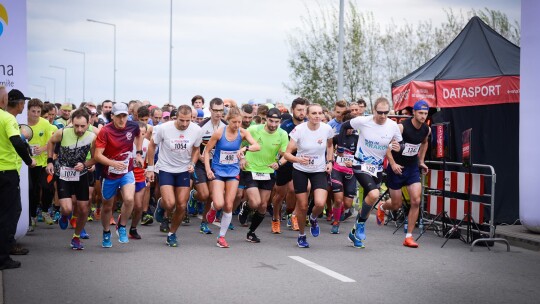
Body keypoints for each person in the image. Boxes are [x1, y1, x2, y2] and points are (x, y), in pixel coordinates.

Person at [340, 97, 403, 248]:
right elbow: (343, 126)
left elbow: (400, 143)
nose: (382, 116)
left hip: (377, 168)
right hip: (360, 164)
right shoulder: (363, 121)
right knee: (374, 194)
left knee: (370, 200)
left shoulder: (393, 126)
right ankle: (361, 225)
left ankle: (354, 233)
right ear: (374, 110)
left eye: (385, 113)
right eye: (379, 112)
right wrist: (341, 148)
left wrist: (399, 148)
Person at [146, 105, 202, 247]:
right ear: (176, 117)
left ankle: (172, 234)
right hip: (166, 168)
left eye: (187, 121)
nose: (184, 124)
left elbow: (196, 149)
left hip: (184, 170)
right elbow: (152, 146)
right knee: (170, 203)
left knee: (182, 205)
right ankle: (162, 205)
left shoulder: (196, 130)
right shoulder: (164, 128)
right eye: (181, 120)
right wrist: (150, 168)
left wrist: (193, 163)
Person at [377, 100, 430, 248]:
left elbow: (424, 143)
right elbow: (385, 144)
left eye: (425, 113)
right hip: (397, 169)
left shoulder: (426, 129)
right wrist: (393, 163)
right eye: (420, 113)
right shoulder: (401, 127)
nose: (423, 116)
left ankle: (409, 237)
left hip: (412, 168)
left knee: (416, 201)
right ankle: (382, 207)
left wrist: (421, 161)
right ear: (414, 112)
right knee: (396, 204)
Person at [204, 107, 260, 248]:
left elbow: (257, 146)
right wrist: (208, 169)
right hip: (218, 171)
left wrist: (244, 149)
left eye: (239, 122)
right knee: (218, 204)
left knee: (229, 205)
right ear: (228, 120)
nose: (237, 125)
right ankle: (212, 208)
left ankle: (221, 237)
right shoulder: (219, 133)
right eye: (234, 122)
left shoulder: (242, 132)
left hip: (233, 171)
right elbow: (206, 151)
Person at [283, 103, 334, 248]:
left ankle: (313, 218)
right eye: (314, 113)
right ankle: (302, 235)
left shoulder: (327, 129)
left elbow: (330, 145)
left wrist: (329, 161)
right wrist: (298, 159)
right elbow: (287, 154)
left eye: (320, 113)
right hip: (300, 170)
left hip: (318, 169)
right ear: (307, 115)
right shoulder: (299, 130)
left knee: (319, 203)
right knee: (303, 205)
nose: (317, 116)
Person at [94, 103, 144, 248]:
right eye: (118, 116)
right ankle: (106, 232)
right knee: (107, 206)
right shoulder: (105, 131)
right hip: (109, 174)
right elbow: (97, 155)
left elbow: (139, 135)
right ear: (112, 116)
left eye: (124, 116)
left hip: (126, 171)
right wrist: (112, 163)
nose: (122, 120)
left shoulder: (133, 126)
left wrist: (139, 154)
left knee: (129, 199)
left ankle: (122, 227)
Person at [46, 109, 96, 250]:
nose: (79, 129)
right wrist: (49, 161)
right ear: (72, 123)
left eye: (82, 126)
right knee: (67, 209)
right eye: (76, 126)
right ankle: (64, 216)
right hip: (63, 174)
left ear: (88, 124)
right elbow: (50, 142)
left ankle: (76, 237)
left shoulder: (92, 137)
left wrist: (86, 164)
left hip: (81, 174)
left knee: (83, 209)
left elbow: (95, 158)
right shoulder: (63, 132)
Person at [238, 108, 288, 241]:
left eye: (276, 122)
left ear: (280, 121)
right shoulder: (254, 130)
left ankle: (251, 232)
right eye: (271, 121)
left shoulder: (282, 134)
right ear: (265, 119)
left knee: (263, 206)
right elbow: (239, 143)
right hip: (250, 168)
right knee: (255, 203)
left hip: (268, 171)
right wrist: (242, 157)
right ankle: (246, 206)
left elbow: (285, 155)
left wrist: (279, 163)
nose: (273, 124)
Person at [0, 89, 35, 269]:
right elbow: (16, 142)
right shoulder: (7, 119)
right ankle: (3, 257)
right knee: (8, 215)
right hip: (6, 173)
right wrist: (29, 160)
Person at [190, 98, 227, 235]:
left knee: (212, 195)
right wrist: (199, 155)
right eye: (215, 110)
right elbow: (192, 146)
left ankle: (204, 223)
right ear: (210, 110)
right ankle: (194, 196)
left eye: (221, 110)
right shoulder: (201, 126)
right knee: (204, 194)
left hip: (216, 164)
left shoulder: (225, 125)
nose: (218, 113)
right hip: (200, 163)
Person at [271, 97, 308, 233]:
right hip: (286, 162)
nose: (302, 113)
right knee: (280, 195)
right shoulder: (284, 127)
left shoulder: (309, 125)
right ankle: (275, 217)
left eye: (304, 110)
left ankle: (294, 215)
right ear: (293, 110)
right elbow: (283, 150)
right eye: (299, 110)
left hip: (302, 163)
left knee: (301, 189)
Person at [27, 99, 57, 230]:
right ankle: (32, 216)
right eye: (33, 111)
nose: (36, 114)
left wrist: (43, 148)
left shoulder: (45, 123)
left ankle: (45, 210)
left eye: (38, 111)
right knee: (32, 191)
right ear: (28, 111)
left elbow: (52, 142)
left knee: (47, 187)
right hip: (29, 163)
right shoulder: (22, 124)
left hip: (44, 163)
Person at [329, 110, 358, 234]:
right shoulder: (337, 137)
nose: (350, 130)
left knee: (347, 204)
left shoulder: (358, 138)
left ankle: (338, 213)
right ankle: (336, 221)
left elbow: (361, 155)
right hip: (337, 170)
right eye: (348, 127)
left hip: (351, 173)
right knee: (338, 200)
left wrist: (354, 162)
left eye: (353, 128)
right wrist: (330, 159)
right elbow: (329, 147)